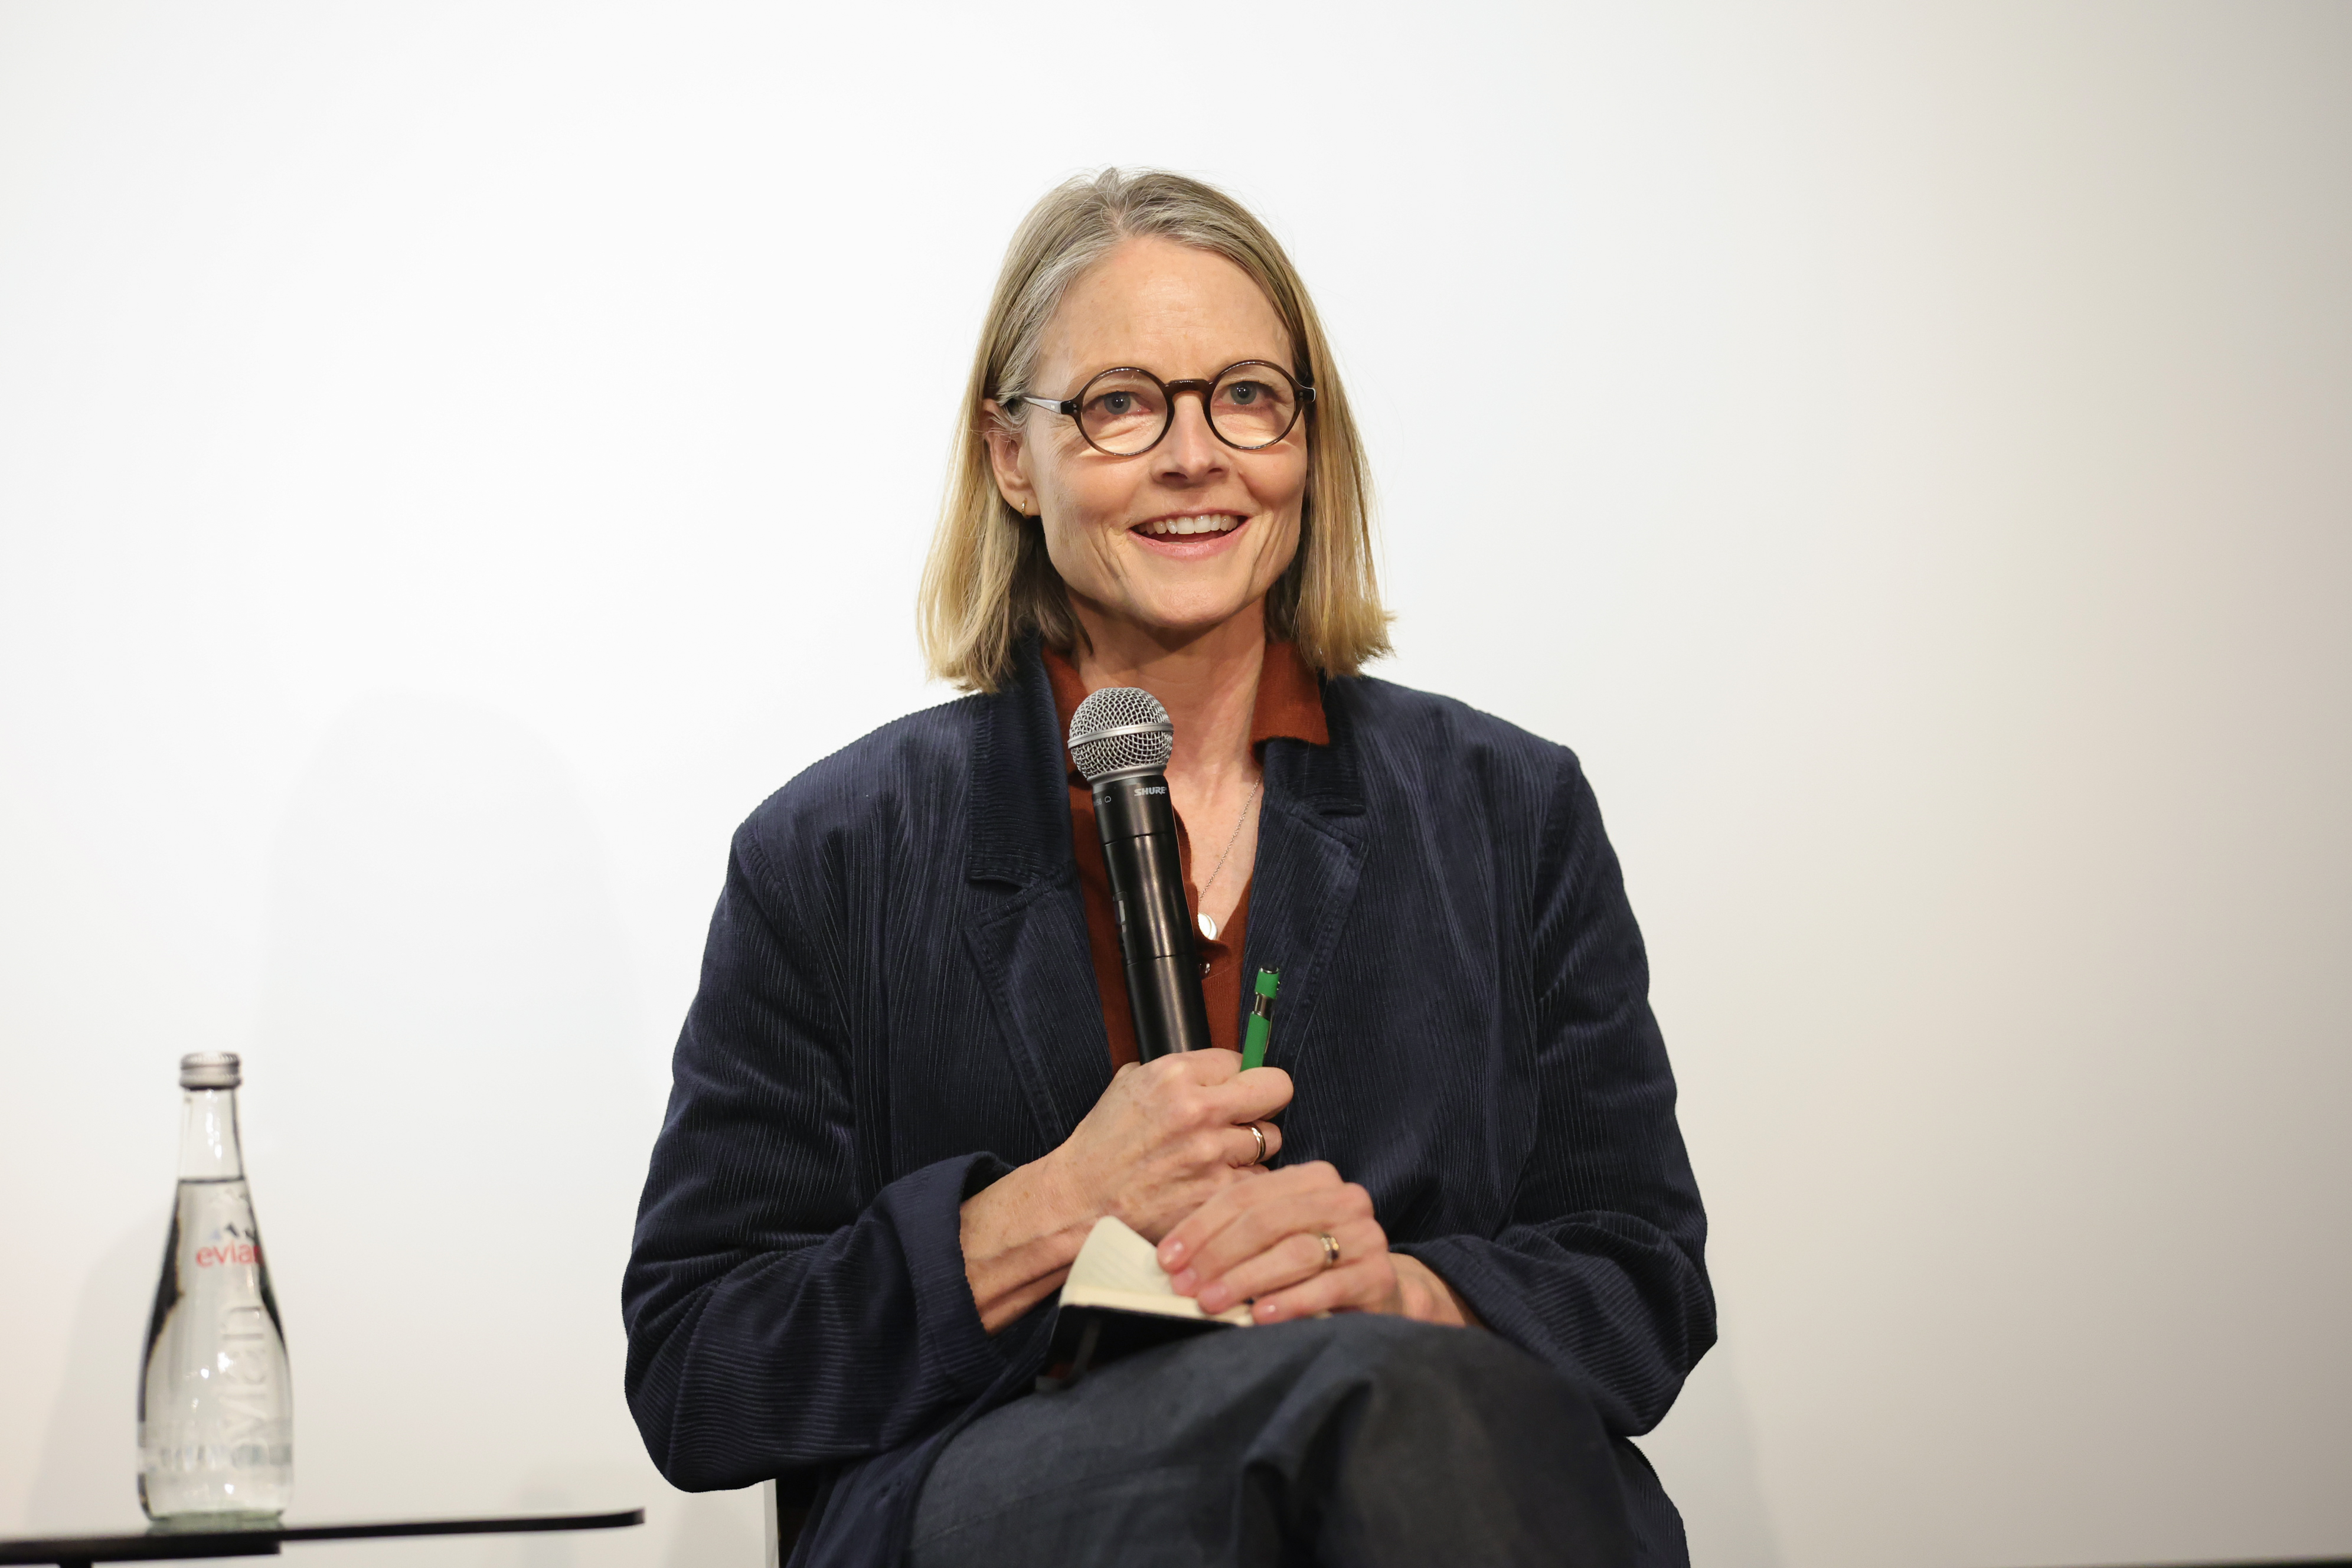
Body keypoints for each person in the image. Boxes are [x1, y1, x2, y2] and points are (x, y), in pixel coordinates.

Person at [622, 169, 1714, 1568]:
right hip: (1019, 1496)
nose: (1197, 455)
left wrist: (1400, 1289)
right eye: (1122, 403)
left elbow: (1640, 1276)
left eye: (1248, 395)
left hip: (1438, 1463)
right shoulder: (835, 852)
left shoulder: (1509, 810)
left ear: (1306, 442)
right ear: (1014, 455)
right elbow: (700, 1367)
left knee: (1391, 1412)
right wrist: (1051, 1209)